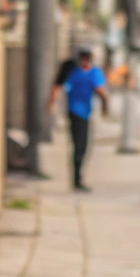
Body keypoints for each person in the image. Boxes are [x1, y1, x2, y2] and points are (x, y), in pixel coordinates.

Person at [47, 48, 108, 192]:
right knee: (80, 147)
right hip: (76, 113)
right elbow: (101, 91)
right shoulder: (83, 73)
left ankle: (77, 178)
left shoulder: (83, 73)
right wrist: (106, 105)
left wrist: (51, 104)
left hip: (82, 113)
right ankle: (77, 179)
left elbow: (56, 87)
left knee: (80, 147)